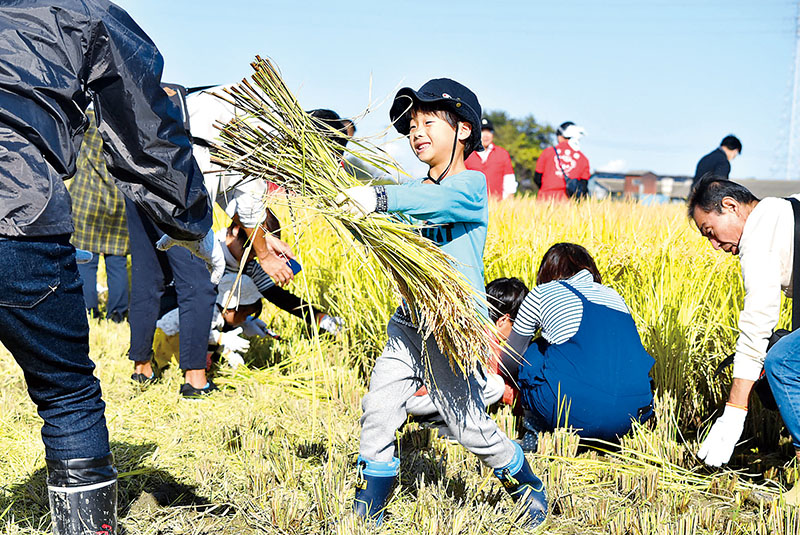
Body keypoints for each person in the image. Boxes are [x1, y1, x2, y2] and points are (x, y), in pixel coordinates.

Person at [0, 1, 217, 532]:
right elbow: (145, 124)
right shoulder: (78, 11)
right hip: (16, 212)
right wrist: (188, 217)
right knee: (66, 391)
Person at [336, 78, 548, 528]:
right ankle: (370, 503)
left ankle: (526, 482)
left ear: (464, 130)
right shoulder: (412, 191)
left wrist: (375, 196)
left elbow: (433, 201)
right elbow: (402, 218)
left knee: (470, 426)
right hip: (410, 320)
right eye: (411, 126)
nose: (417, 133)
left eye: (429, 121)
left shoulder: (469, 187)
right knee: (378, 406)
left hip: (452, 327)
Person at [689, 176, 800, 503]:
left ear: (730, 206)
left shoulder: (759, 229)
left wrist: (734, 410)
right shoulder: (788, 208)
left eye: (710, 231)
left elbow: (757, 321)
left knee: (781, 361)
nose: (715, 245)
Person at [500, 243, 655, 452]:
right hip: (633, 415)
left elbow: (510, 358)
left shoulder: (541, 293)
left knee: (536, 351)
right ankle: (603, 435)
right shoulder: (615, 297)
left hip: (572, 412)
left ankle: (535, 434)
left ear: (548, 270)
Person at [406, 277, 529, 423]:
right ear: (502, 321)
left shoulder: (470, 325)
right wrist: (531, 403)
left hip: (414, 394)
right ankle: (438, 421)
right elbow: (507, 393)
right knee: (496, 386)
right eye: (516, 326)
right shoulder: (487, 340)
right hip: (418, 400)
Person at [221, 218, 344, 335]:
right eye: (255, 249)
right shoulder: (212, 254)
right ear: (237, 228)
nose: (256, 255)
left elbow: (278, 297)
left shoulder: (248, 265)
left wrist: (318, 317)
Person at [69, 108, 130, 322]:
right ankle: (117, 315)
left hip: (86, 197)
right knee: (117, 260)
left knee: (86, 258)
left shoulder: (88, 118)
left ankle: (88, 311)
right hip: (118, 198)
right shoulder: (125, 119)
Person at [534, 121, 590, 201]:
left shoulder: (548, 152)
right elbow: (583, 187)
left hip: (544, 199)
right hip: (568, 202)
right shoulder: (583, 159)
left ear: (561, 136)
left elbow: (537, 178)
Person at [465, 117, 517, 200]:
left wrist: (508, 201)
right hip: (472, 205)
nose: (486, 135)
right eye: (482, 131)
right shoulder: (467, 154)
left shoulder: (502, 153)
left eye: (489, 131)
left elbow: (509, 180)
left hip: (498, 205)